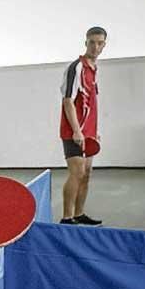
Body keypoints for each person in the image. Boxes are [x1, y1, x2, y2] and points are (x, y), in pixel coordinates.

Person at [58, 26, 107, 225]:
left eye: (100, 42)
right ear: (85, 43)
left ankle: (79, 213)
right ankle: (67, 218)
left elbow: (91, 105)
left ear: (104, 45)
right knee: (76, 173)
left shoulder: (94, 70)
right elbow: (68, 101)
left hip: (88, 133)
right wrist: (77, 130)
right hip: (73, 131)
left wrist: (95, 131)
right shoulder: (76, 67)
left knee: (86, 174)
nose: (95, 46)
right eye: (92, 42)